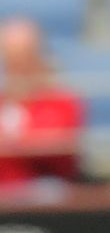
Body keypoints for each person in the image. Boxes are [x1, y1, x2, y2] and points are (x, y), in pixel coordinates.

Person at [0, 17, 83, 191]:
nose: (18, 65)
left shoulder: (61, 101)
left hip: (44, 188)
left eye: (24, 56)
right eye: (11, 57)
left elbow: (55, 151)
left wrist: (14, 143)